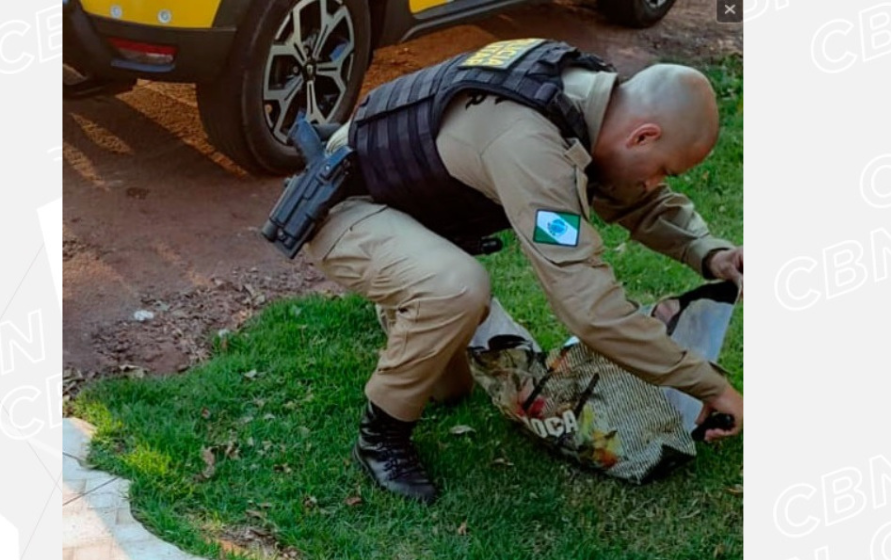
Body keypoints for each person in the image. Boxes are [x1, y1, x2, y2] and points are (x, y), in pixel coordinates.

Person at [292, 39, 744, 503]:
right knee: (458, 289)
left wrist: (712, 253)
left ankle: (409, 295)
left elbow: (636, 200)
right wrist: (708, 385)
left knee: (450, 390)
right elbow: (590, 310)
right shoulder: (531, 142)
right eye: (662, 169)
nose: (654, 184)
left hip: (406, 208)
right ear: (643, 136)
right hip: (344, 206)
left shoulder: (589, 101)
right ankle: (380, 436)